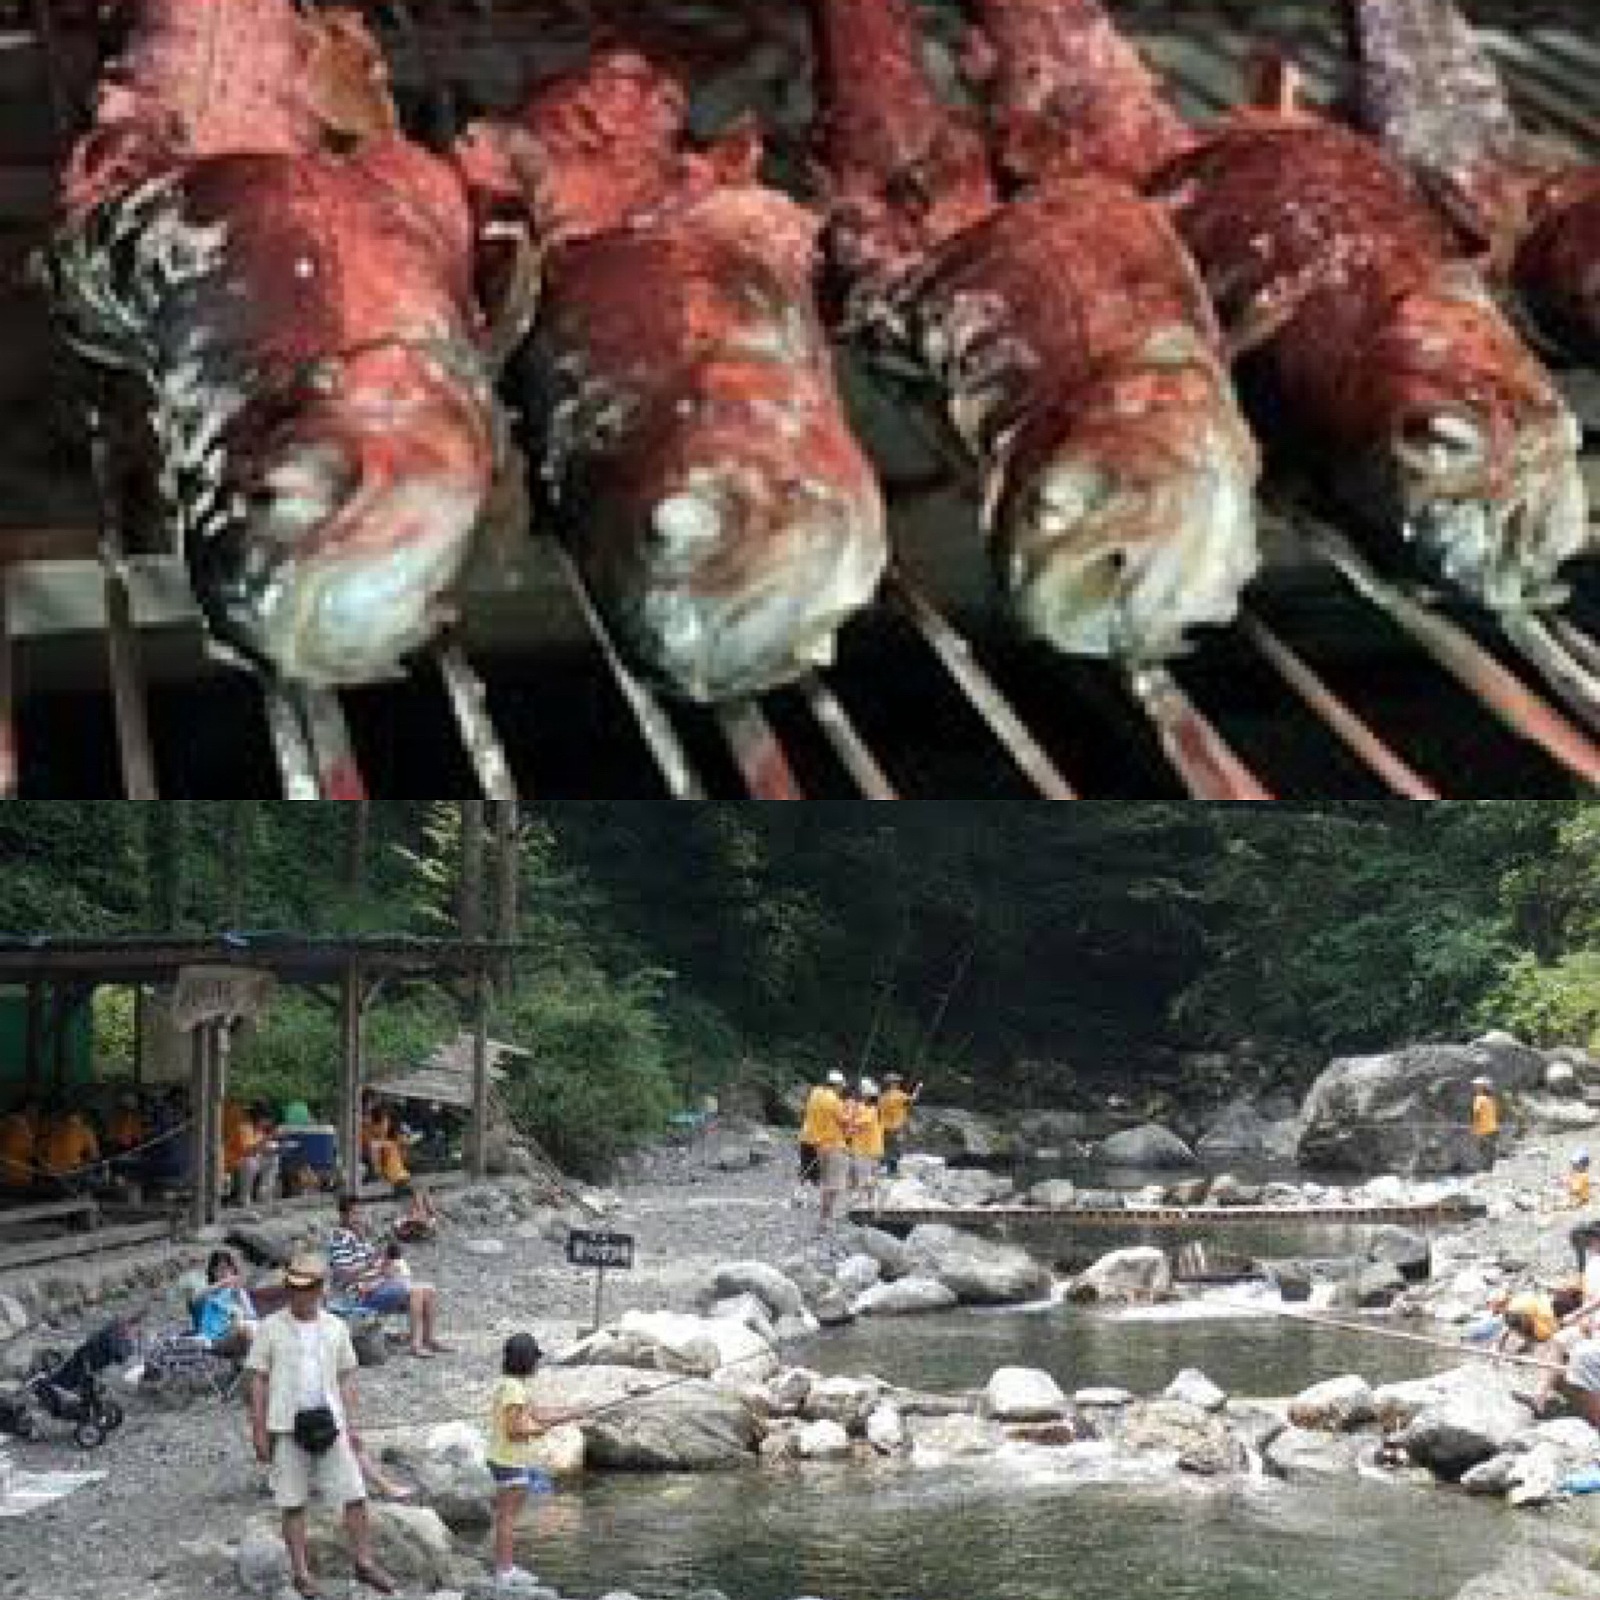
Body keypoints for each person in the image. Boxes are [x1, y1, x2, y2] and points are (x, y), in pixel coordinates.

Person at [244, 1251, 396, 1598]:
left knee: (355, 1494)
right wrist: (258, 1429)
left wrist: (352, 1425)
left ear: (320, 1289)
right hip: (286, 1424)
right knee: (292, 1500)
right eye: (294, 1288)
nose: (300, 1294)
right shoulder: (270, 1328)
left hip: (331, 1423)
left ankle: (364, 1562)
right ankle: (301, 1572)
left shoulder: (336, 1327)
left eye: (307, 1288)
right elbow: (258, 1380)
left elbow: (345, 1378)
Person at [487, 1333, 576, 1592]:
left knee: (508, 1517)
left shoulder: (511, 1384)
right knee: (507, 1519)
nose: (537, 1363)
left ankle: (507, 1567)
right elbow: (513, 1431)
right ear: (527, 1361)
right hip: (508, 1461)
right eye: (535, 1358)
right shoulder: (514, 1390)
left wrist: (570, 1414)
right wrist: (538, 1431)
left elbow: (537, 1413)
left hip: (505, 1458)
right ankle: (504, 1572)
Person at [327, 1193, 449, 1358]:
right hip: (357, 1294)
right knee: (416, 1291)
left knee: (429, 1290)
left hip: (375, 1286)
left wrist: (384, 1265)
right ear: (343, 1215)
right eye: (354, 1214)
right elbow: (344, 1274)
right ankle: (416, 1345)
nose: (359, 1218)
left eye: (361, 1213)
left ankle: (429, 1339)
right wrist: (373, 1268)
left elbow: (372, 1263)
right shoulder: (340, 1239)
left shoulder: (360, 1236)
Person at [196, 1247, 259, 1358]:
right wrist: (223, 1283)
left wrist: (239, 1296)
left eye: (228, 1269)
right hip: (215, 1339)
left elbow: (251, 1315)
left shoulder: (237, 1292)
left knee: (250, 1327)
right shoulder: (209, 1292)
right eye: (220, 1269)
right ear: (213, 1271)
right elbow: (197, 1298)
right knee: (244, 1329)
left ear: (233, 1270)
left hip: (238, 1333)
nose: (224, 1272)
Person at [795, 1070, 846, 1204]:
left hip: (806, 1136)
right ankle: (817, 1199)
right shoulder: (834, 1100)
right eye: (841, 1086)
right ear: (837, 1085)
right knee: (821, 1171)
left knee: (805, 1167)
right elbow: (842, 1120)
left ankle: (799, 1194)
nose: (842, 1089)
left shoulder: (815, 1092)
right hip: (821, 1141)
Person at [846, 1078, 885, 1210]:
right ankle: (868, 1202)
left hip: (868, 1150)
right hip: (865, 1148)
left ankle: (867, 1203)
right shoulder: (863, 1107)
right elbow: (853, 1125)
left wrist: (851, 1118)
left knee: (866, 1177)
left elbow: (860, 1122)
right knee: (865, 1176)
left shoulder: (872, 1110)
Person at [362, 1100, 411, 1189]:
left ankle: (397, 1176)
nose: (386, 1126)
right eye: (383, 1122)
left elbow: (404, 1155)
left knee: (391, 1147)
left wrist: (403, 1144)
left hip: (394, 1174)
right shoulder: (365, 1132)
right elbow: (369, 1147)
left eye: (387, 1122)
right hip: (371, 1169)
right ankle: (394, 1176)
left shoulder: (392, 1136)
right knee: (383, 1147)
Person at [879, 1073, 921, 1176]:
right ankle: (892, 1171)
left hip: (884, 1127)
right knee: (896, 1149)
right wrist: (918, 1088)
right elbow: (913, 1100)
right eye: (897, 1082)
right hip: (897, 1127)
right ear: (893, 1084)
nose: (899, 1084)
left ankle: (883, 1167)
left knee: (887, 1148)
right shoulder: (898, 1095)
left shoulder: (882, 1097)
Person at [1471, 1076, 1500, 1168]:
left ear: (1481, 1087)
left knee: (1483, 1151)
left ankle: (1486, 1170)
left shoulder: (1479, 1098)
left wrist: (1475, 1129)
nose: (1474, 1087)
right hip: (1493, 1129)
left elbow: (1477, 1114)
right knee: (1490, 1151)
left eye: (1476, 1085)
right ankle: (1490, 1170)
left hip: (1484, 1130)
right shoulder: (1491, 1099)